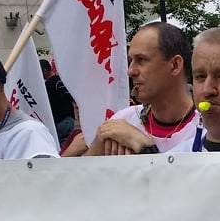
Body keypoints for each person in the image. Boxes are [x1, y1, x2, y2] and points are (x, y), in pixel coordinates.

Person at [83, 22, 200, 156]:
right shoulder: (122, 121)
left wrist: (145, 147)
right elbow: (85, 169)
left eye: (141, 60)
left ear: (175, 65)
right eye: (130, 60)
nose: (130, 71)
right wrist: (99, 140)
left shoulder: (208, 128)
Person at [39, 58, 77, 140]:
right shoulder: (62, 80)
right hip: (70, 119)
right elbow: (71, 97)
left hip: (59, 121)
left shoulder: (47, 85)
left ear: (45, 70)